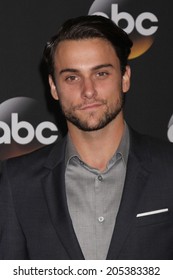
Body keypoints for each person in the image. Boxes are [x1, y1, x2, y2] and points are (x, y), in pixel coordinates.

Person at [0, 15, 173, 260]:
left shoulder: (169, 168)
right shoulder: (17, 182)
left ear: (125, 78)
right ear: (53, 87)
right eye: (72, 77)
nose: (88, 91)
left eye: (101, 74)